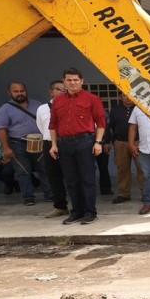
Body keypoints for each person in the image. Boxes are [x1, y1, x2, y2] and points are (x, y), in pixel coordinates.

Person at [49, 67, 107, 224]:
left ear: (82, 81)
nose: (72, 83)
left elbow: (101, 122)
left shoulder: (92, 99)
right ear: (64, 81)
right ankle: (77, 211)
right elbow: (53, 124)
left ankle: (90, 212)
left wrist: (98, 142)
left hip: (85, 142)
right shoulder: (58, 101)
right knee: (71, 180)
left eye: (76, 80)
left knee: (87, 179)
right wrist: (54, 145)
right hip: (64, 144)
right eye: (69, 80)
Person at [0, 81, 49, 207]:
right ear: (9, 93)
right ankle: (28, 197)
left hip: (39, 142)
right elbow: (1, 129)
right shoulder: (4, 109)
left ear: (26, 91)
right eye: (16, 91)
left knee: (45, 169)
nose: (20, 93)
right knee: (23, 171)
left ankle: (50, 194)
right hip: (17, 143)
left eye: (22, 90)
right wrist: (6, 148)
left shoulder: (37, 105)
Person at [38, 80, 69, 217]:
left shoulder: (70, 105)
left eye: (64, 89)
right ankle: (60, 206)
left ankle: (80, 207)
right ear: (51, 91)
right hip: (49, 144)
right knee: (54, 176)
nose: (62, 92)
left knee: (72, 176)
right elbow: (41, 126)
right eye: (58, 89)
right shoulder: (42, 108)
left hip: (67, 142)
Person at [107, 93, 142, 204]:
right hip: (120, 143)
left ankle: (145, 193)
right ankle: (123, 194)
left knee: (142, 169)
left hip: (138, 143)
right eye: (125, 96)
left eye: (131, 96)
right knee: (122, 169)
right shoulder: (115, 110)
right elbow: (109, 127)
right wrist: (109, 142)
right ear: (121, 97)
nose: (128, 99)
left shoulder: (140, 109)